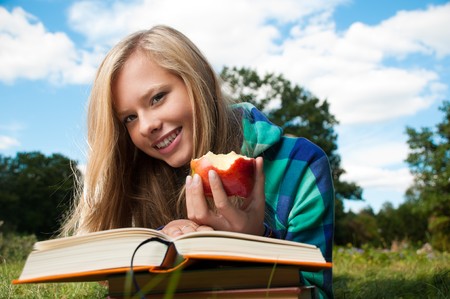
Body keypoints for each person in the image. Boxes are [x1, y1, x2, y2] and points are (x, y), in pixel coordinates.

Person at [61, 25, 334, 298]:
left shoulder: (301, 165)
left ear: (198, 81)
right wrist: (160, 245)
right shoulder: (138, 180)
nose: (146, 126)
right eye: (130, 118)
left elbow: (315, 291)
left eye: (157, 98)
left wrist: (256, 240)